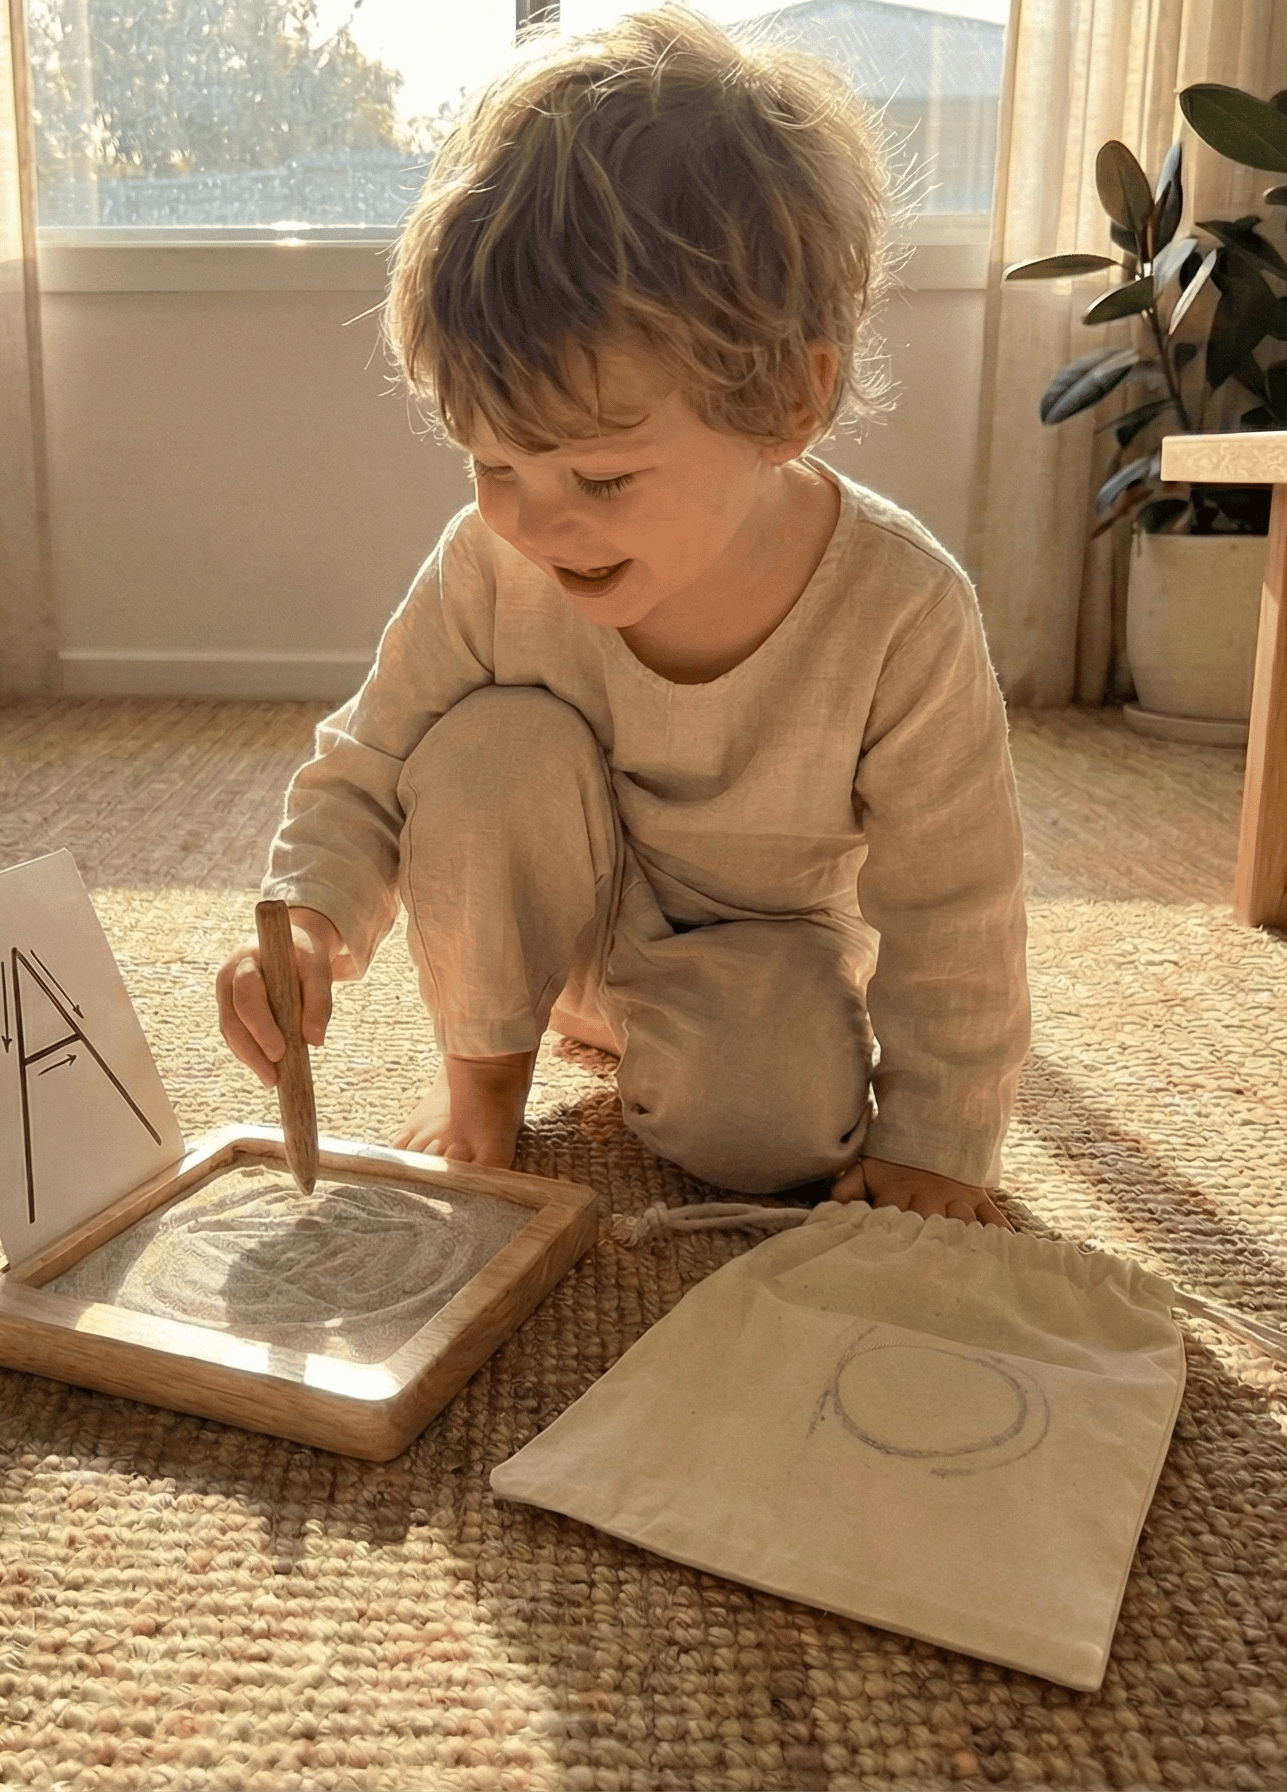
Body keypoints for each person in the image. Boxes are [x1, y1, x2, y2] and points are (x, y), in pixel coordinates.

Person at [214, 6, 1028, 1228]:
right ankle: (487, 1085)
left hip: (763, 953)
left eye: (600, 478)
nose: (539, 525)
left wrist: (941, 1139)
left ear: (789, 401)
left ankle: (655, 1037)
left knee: (772, 1134)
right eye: (493, 464)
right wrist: (310, 917)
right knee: (481, 749)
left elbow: (956, 906)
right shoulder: (491, 566)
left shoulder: (902, 609)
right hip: (563, 911)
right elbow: (369, 760)